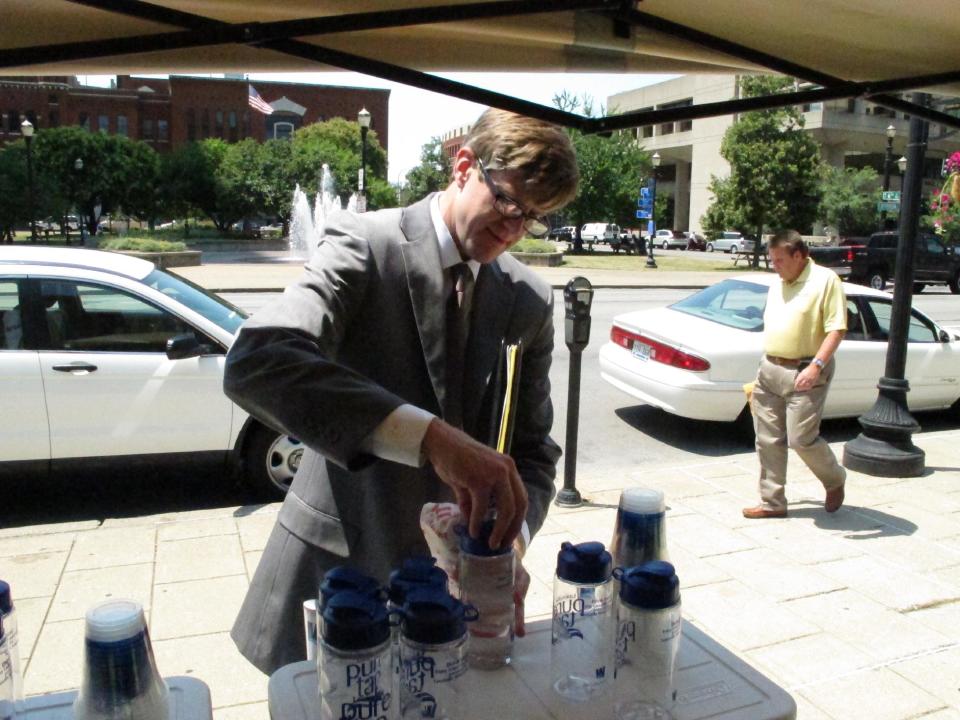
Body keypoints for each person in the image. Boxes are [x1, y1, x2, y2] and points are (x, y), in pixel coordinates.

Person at [224, 108, 579, 674]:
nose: (514, 229)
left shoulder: (529, 301)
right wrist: (432, 439)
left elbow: (533, 454)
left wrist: (510, 544)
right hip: (342, 579)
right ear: (465, 165)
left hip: (453, 606)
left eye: (533, 218)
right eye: (509, 203)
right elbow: (257, 359)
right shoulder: (364, 244)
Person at [743, 229, 848, 520]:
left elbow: (836, 328)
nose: (774, 267)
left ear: (799, 255)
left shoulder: (826, 280)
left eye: (779, 261)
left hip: (806, 370)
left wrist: (816, 366)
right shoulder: (778, 283)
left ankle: (834, 478)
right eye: (771, 260)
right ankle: (772, 502)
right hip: (770, 369)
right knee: (767, 439)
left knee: (801, 438)